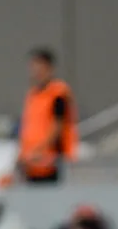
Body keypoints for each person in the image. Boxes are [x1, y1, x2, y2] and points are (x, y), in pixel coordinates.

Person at [17, 48, 78, 184]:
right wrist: (23, 154)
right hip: (31, 163)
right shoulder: (33, 95)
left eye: (40, 68)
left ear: (49, 68)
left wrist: (40, 150)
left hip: (51, 162)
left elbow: (58, 125)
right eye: (33, 67)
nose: (36, 72)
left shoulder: (58, 93)